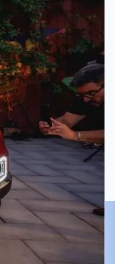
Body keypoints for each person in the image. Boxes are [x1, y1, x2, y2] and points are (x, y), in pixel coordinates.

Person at [39, 62, 104, 216]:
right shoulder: (86, 97)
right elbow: (68, 120)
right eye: (83, 94)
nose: (86, 99)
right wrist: (52, 126)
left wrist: (75, 135)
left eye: (91, 93)